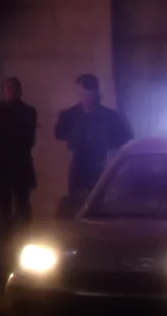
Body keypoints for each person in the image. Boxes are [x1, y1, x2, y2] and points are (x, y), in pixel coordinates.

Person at [54, 73, 133, 214]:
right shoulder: (70, 115)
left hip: (100, 163)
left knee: (99, 202)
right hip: (78, 163)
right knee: (76, 202)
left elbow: (124, 137)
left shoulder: (109, 116)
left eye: (89, 95)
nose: (86, 98)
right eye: (83, 94)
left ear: (96, 95)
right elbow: (59, 133)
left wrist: (110, 148)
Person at [0, 77, 38, 242]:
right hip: (3, 165)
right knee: (3, 208)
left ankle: (21, 239)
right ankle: (6, 241)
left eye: (14, 89)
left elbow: (28, 140)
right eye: (8, 89)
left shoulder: (27, 112)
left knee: (22, 206)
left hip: (19, 164)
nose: (11, 92)